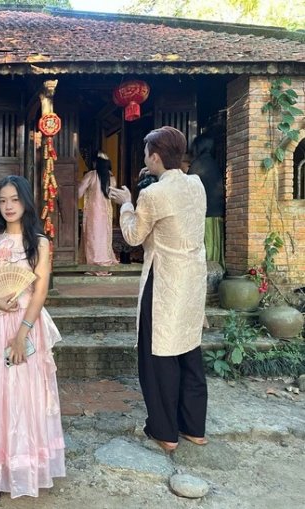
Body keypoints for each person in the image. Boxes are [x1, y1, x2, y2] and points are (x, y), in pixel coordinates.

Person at [109, 126, 208, 453]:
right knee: (189, 349)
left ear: (155, 156)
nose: (143, 158)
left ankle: (165, 431)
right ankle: (193, 427)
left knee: (158, 354)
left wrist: (126, 203)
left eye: (145, 154)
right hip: (192, 278)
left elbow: (133, 236)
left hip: (164, 278)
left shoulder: (152, 195)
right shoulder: (196, 185)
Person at [0, 175, 65, 504]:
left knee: (25, 395)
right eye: (3, 200)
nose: (8, 206)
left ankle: (27, 468)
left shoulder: (39, 243)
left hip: (25, 324)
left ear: (26, 201)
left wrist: (21, 333)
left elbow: (40, 291)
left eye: (14, 199)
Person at [77, 150, 119, 274]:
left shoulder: (92, 175)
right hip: (106, 212)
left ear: (96, 163)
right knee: (104, 237)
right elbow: (113, 195)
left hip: (93, 212)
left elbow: (79, 192)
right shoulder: (111, 178)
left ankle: (94, 264)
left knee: (92, 237)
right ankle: (104, 261)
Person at [188, 134, 225, 268]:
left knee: (206, 246)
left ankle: (207, 272)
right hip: (217, 212)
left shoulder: (197, 165)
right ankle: (216, 270)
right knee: (214, 244)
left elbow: (189, 191)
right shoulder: (214, 164)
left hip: (205, 214)